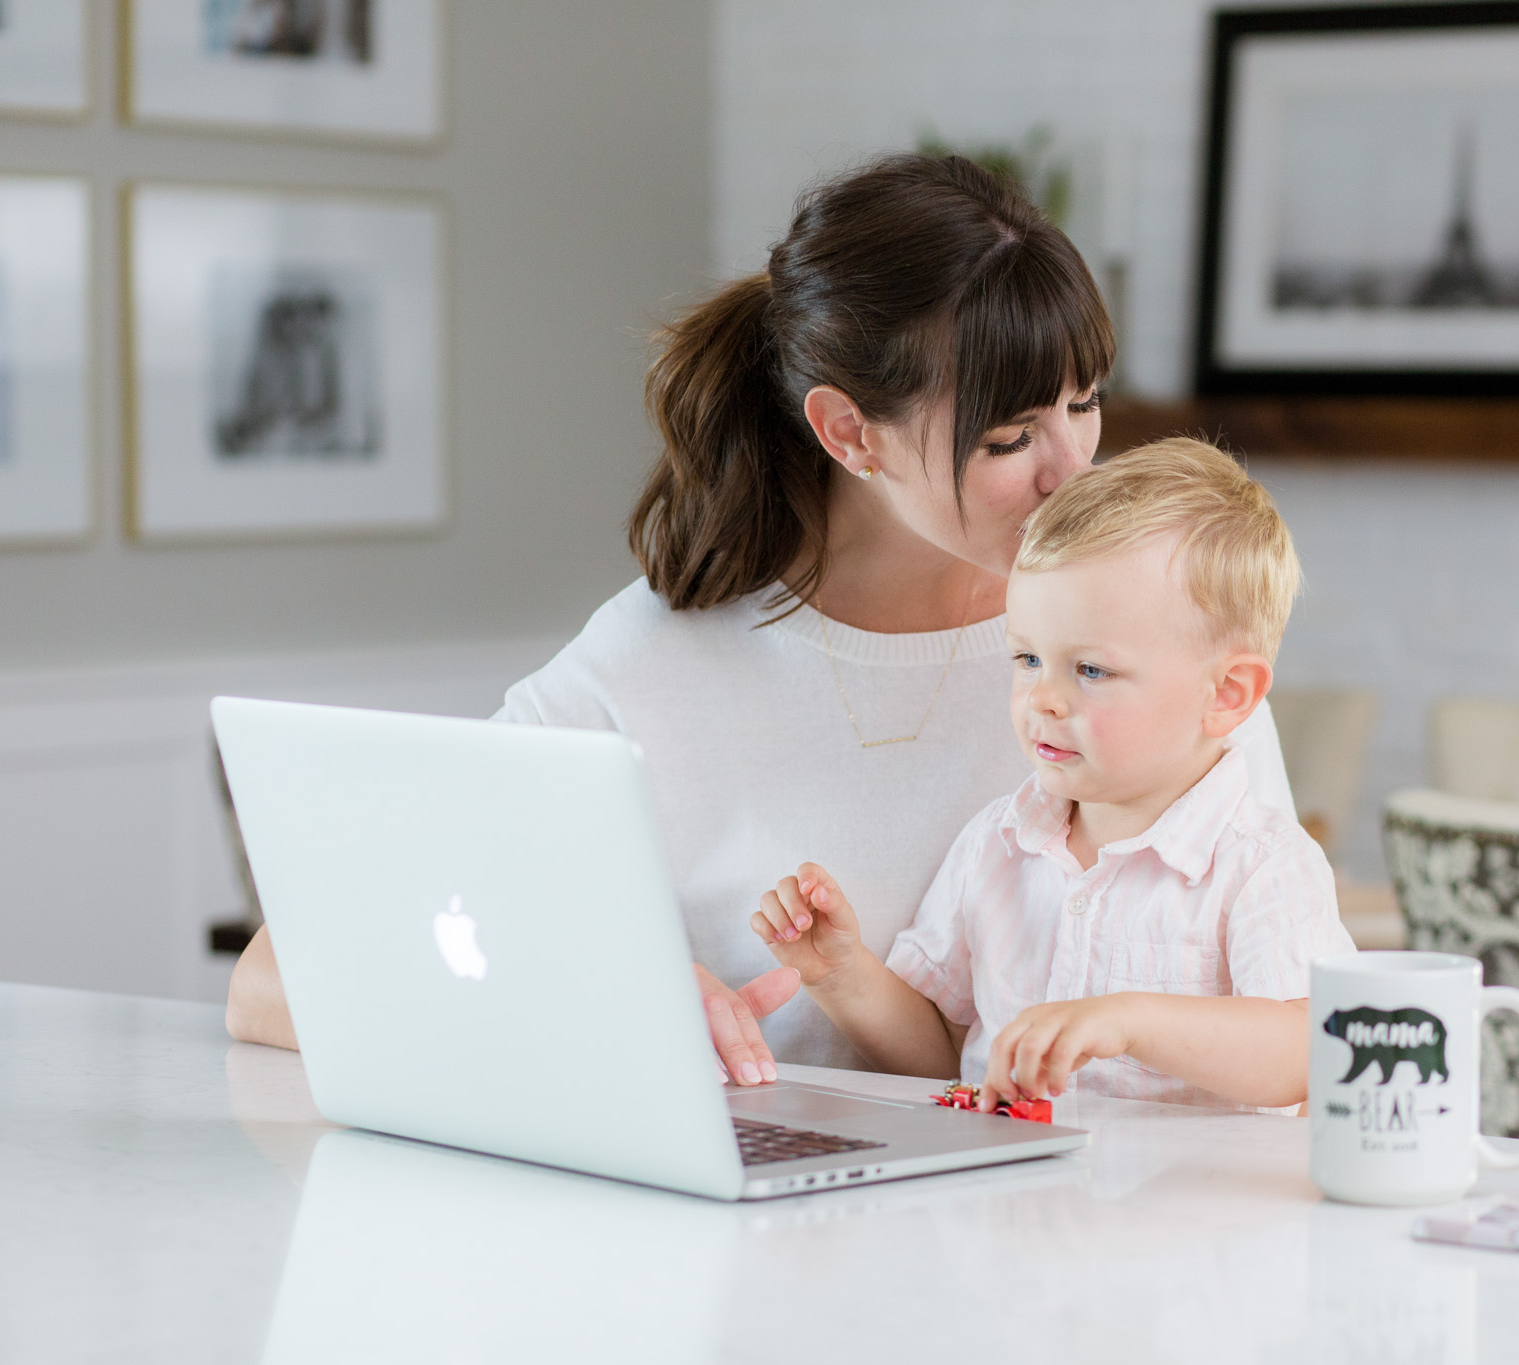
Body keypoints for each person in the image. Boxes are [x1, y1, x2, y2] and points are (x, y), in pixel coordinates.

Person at [225, 154, 1301, 1083]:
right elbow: (275, 979)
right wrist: (590, 996)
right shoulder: (656, 662)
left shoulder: (1142, 634)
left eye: (1084, 404)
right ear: (848, 432)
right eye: (1009, 438)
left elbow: (1284, 1014)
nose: (1074, 476)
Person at [752, 439, 1354, 1111]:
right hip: (1000, 1202)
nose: (1042, 697)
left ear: (1227, 695)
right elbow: (942, 1053)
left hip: (1179, 1212)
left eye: (1090, 670)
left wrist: (1128, 1020)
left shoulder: (1262, 863)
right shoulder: (998, 844)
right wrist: (841, 974)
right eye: (1028, 658)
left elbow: (1308, 1049)